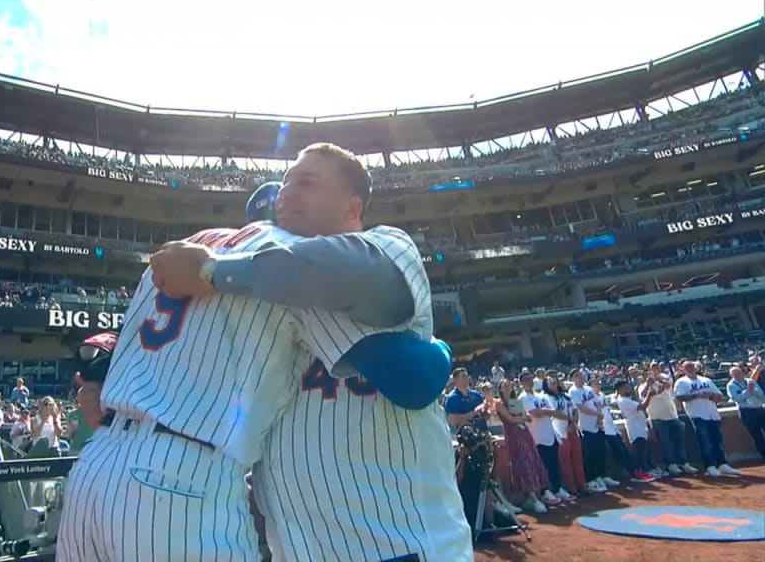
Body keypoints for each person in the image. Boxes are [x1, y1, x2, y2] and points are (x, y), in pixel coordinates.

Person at [59, 143, 466, 562]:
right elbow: (420, 372)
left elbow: (413, 376)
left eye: (305, 184)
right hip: (209, 499)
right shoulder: (270, 280)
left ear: (351, 207)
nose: (287, 196)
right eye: (285, 186)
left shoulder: (348, 255)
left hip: (395, 542)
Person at [494, 378, 553, 514]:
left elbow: (527, 416)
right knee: (521, 464)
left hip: (524, 433)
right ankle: (531, 497)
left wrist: (523, 417)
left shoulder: (516, 401)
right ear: (501, 389)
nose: (508, 387)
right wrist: (523, 418)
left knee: (531, 461)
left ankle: (534, 496)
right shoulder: (499, 403)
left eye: (509, 385)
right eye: (505, 386)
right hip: (513, 435)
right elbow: (511, 419)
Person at [673, 360, 740, 476]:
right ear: (683, 369)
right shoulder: (681, 382)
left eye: (692, 366)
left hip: (712, 414)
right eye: (687, 367)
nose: (690, 369)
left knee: (717, 441)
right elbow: (680, 397)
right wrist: (697, 395)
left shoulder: (705, 380)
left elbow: (719, 396)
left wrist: (711, 396)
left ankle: (722, 464)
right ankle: (710, 466)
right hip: (697, 414)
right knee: (705, 442)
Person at [519, 372, 571, 508]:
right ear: (521, 383)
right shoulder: (523, 398)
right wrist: (546, 412)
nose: (529, 382)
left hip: (550, 434)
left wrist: (545, 412)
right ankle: (544, 492)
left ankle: (557, 488)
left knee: (554, 463)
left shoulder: (541, 395)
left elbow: (552, 410)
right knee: (543, 466)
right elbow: (534, 413)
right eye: (526, 380)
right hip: (537, 437)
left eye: (530, 379)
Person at [638, 363, 697, 475]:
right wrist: (648, 384)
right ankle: (670, 464)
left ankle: (683, 463)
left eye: (656, 369)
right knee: (666, 443)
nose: (654, 372)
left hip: (672, 416)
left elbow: (667, 385)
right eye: (652, 370)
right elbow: (643, 395)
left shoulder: (664, 380)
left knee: (679, 442)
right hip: (657, 418)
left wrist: (658, 379)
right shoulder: (642, 386)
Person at [592, 379, 653, 483]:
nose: (598, 385)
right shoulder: (592, 398)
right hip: (602, 428)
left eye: (598, 383)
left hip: (612, 428)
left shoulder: (602, 395)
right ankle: (632, 473)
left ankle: (635, 472)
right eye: (595, 384)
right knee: (615, 452)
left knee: (623, 451)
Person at [569, 370, 619, 489]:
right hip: (585, 427)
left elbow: (597, 404)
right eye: (577, 375)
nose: (580, 377)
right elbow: (580, 407)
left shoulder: (589, 389)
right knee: (590, 454)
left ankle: (603, 475)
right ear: (572, 379)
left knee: (601, 452)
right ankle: (592, 478)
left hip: (597, 425)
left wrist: (599, 417)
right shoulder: (573, 391)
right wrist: (596, 414)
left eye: (580, 375)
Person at [615, 379, 663, 478]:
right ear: (620, 389)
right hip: (635, 428)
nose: (629, 389)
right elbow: (642, 407)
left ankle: (650, 468)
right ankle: (645, 470)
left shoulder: (628, 399)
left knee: (646, 449)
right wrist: (649, 395)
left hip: (640, 426)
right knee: (641, 450)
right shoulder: (623, 400)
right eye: (626, 387)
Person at [727, 365, 765, 461]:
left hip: (759, 409)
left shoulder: (750, 381)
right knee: (757, 435)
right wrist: (748, 392)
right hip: (747, 412)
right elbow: (736, 398)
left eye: (740, 373)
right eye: (736, 374)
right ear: (732, 375)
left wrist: (753, 392)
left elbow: (762, 395)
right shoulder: (731, 385)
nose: (739, 375)